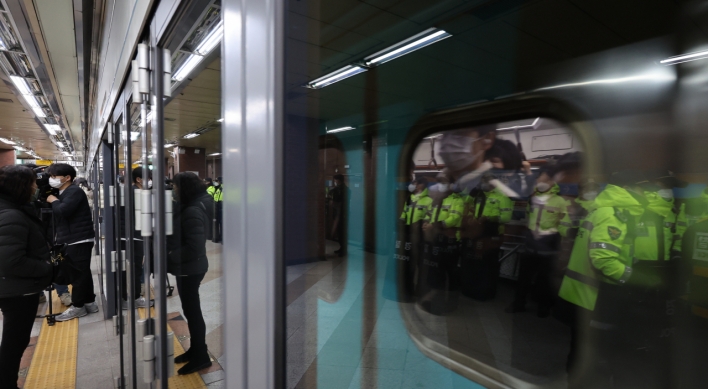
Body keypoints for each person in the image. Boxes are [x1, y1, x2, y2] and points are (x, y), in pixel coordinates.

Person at [0, 166, 52, 388]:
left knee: (15, 340)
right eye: (32, 183)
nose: (35, 187)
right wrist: (46, 268)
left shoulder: (10, 210)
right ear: (20, 186)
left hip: (13, 288)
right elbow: (12, 260)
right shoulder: (12, 215)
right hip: (18, 291)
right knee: (15, 342)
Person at [168, 172, 213, 374]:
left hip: (190, 268)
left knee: (193, 313)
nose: (174, 190)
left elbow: (194, 247)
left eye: (176, 186)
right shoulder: (188, 207)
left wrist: (169, 256)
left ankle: (201, 357)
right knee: (190, 311)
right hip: (188, 267)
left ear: (183, 188)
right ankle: (196, 350)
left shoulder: (192, 210)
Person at [508, 168, 567, 317]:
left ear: (552, 182)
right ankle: (518, 304)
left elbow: (564, 225)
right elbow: (529, 216)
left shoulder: (560, 201)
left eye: (544, 180)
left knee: (545, 281)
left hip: (548, 249)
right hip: (530, 247)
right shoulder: (532, 198)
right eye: (539, 179)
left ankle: (543, 308)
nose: (540, 182)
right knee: (523, 279)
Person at [46, 163, 97, 321]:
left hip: (78, 239)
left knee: (77, 275)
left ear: (67, 178)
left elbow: (63, 211)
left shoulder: (73, 191)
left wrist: (53, 200)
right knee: (83, 273)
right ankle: (89, 302)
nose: (51, 180)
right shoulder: (66, 191)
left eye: (54, 176)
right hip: (76, 238)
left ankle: (78, 307)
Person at [120, 167, 153, 309]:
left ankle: (129, 297)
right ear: (139, 179)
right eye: (149, 178)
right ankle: (134, 298)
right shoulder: (137, 193)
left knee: (129, 268)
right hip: (135, 236)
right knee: (135, 268)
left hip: (129, 235)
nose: (151, 181)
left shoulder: (129, 191)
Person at [330, 174, 349, 256]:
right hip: (339, 213)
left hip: (342, 213)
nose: (335, 181)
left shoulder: (343, 190)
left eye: (335, 180)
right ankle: (342, 248)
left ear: (338, 180)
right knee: (340, 232)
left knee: (342, 232)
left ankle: (344, 250)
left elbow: (339, 200)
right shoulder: (338, 189)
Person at [212, 176, 223, 243]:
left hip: (221, 205)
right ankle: (220, 237)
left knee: (221, 222)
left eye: (217, 181)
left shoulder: (221, 187)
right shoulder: (219, 187)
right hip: (218, 205)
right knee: (220, 222)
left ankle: (222, 238)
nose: (216, 182)